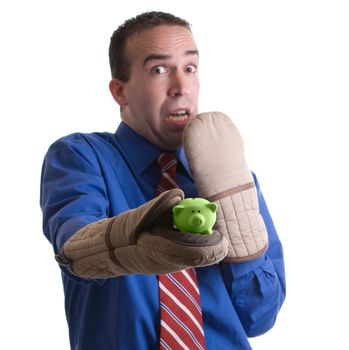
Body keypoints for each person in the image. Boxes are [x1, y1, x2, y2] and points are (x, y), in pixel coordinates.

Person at [40, 11, 286, 350]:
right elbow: (75, 249)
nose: (181, 87)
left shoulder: (232, 177)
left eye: (190, 68)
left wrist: (235, 213)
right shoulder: (82, 156)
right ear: (120, 92)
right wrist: (134, 243)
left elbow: (259, 318)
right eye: (159, 70)